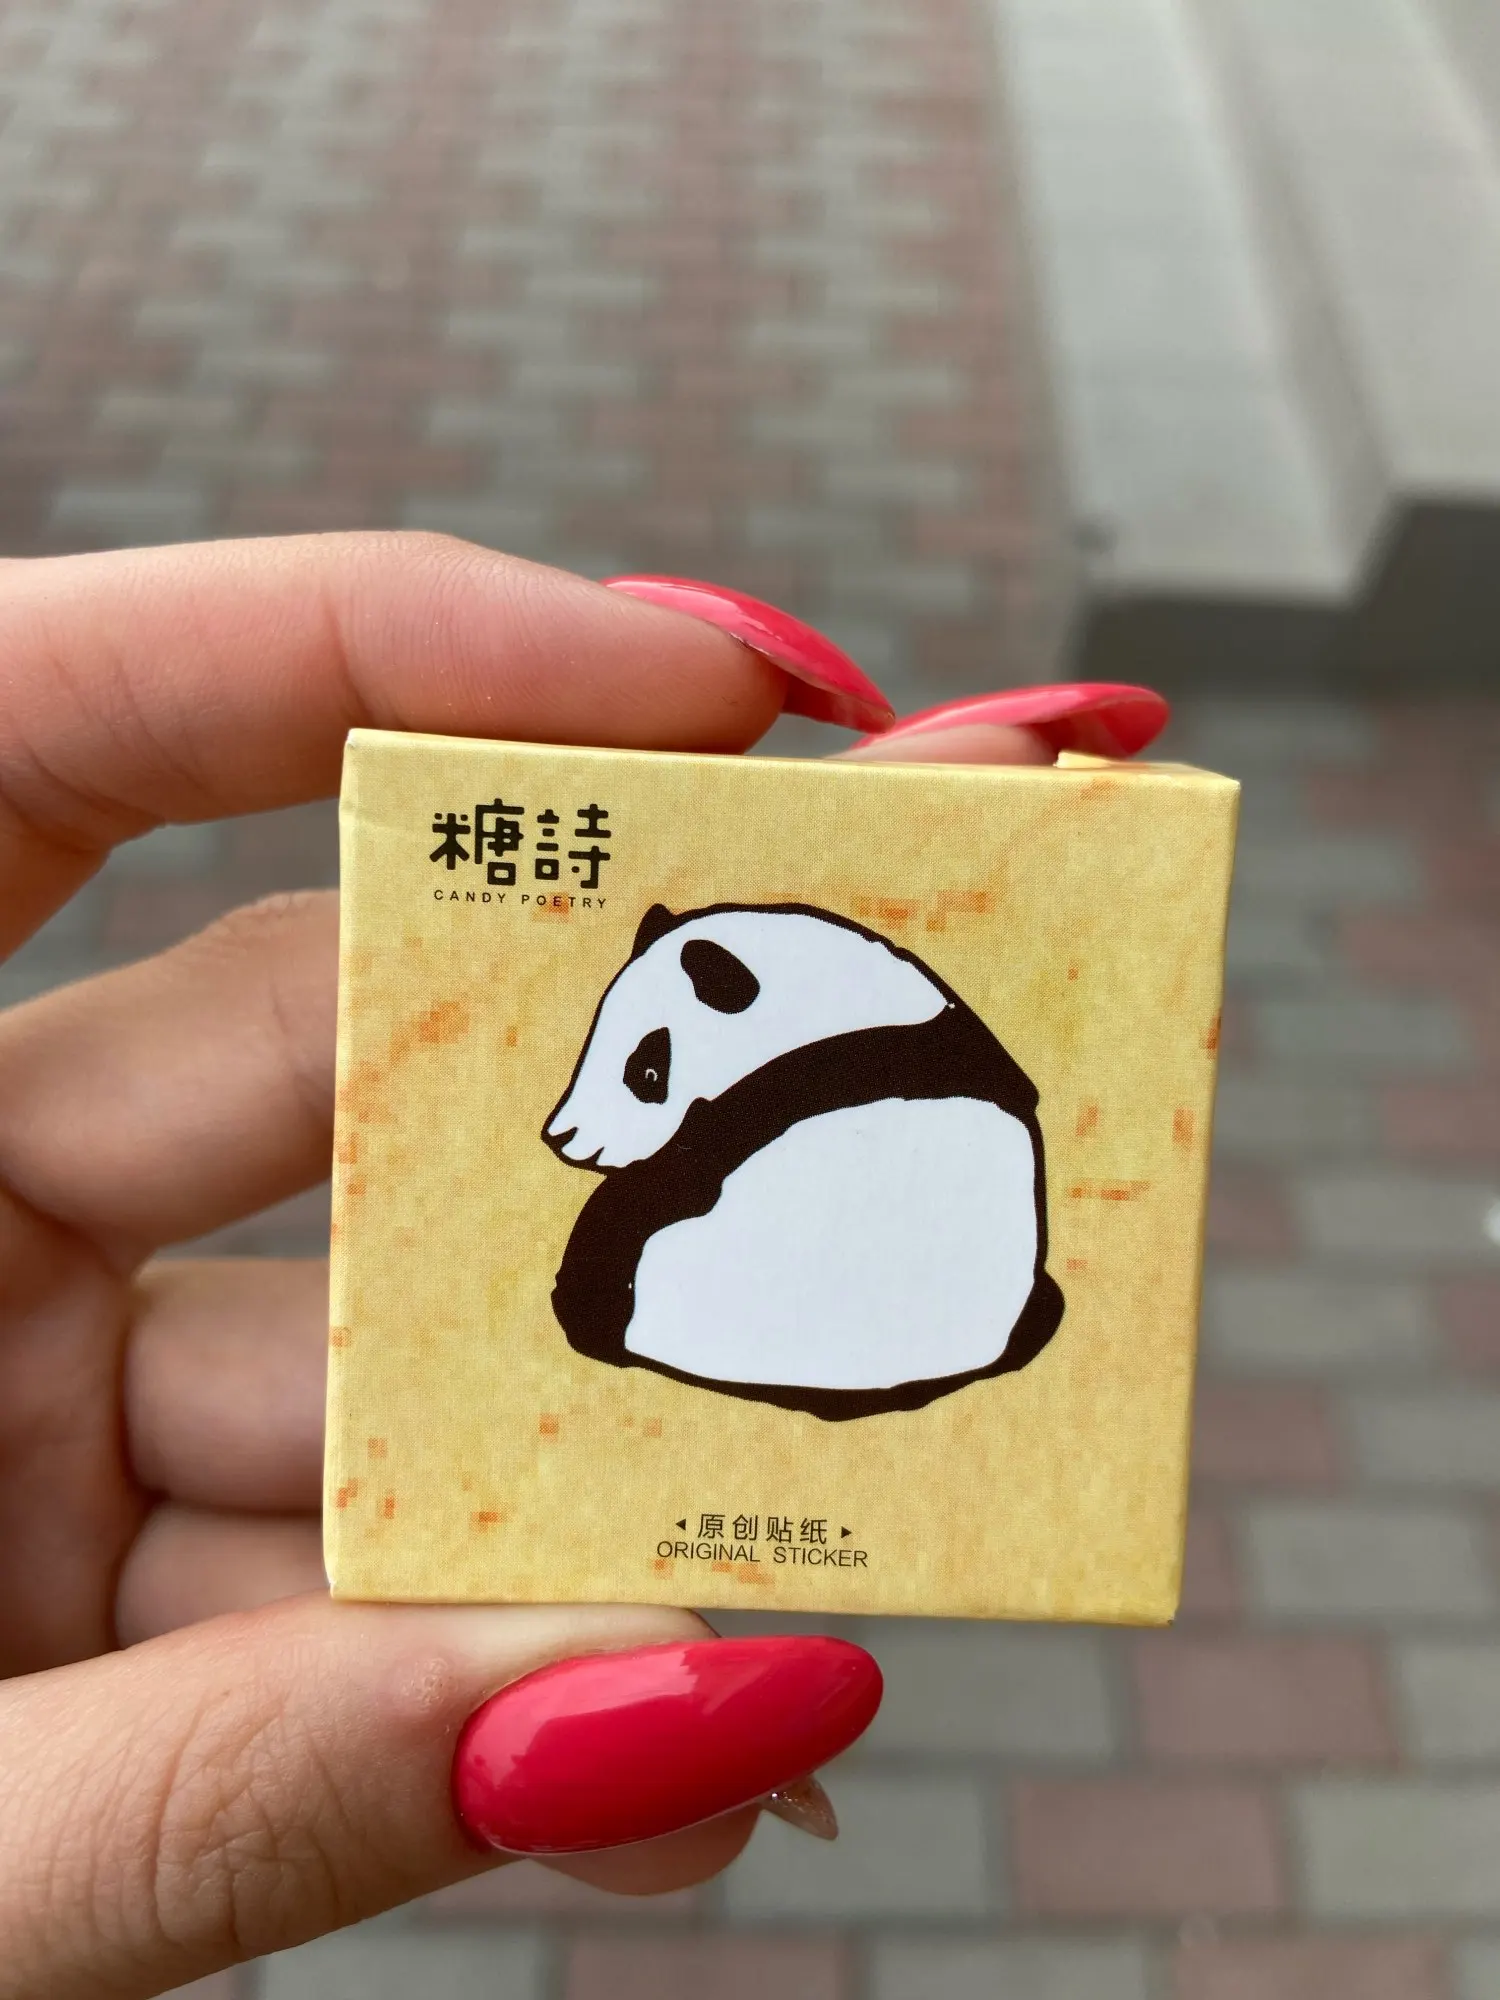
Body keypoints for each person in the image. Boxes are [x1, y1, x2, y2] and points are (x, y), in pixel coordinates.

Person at [0, 533, 1166, 1998]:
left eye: (648, 1067)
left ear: (731, 994)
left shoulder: (798, 1046)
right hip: (966, 1311)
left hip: (834, 1297)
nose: (580, 1126)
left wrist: (627, 1258)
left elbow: (660, 1202)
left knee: (619, 1264)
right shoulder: (923, 1042)